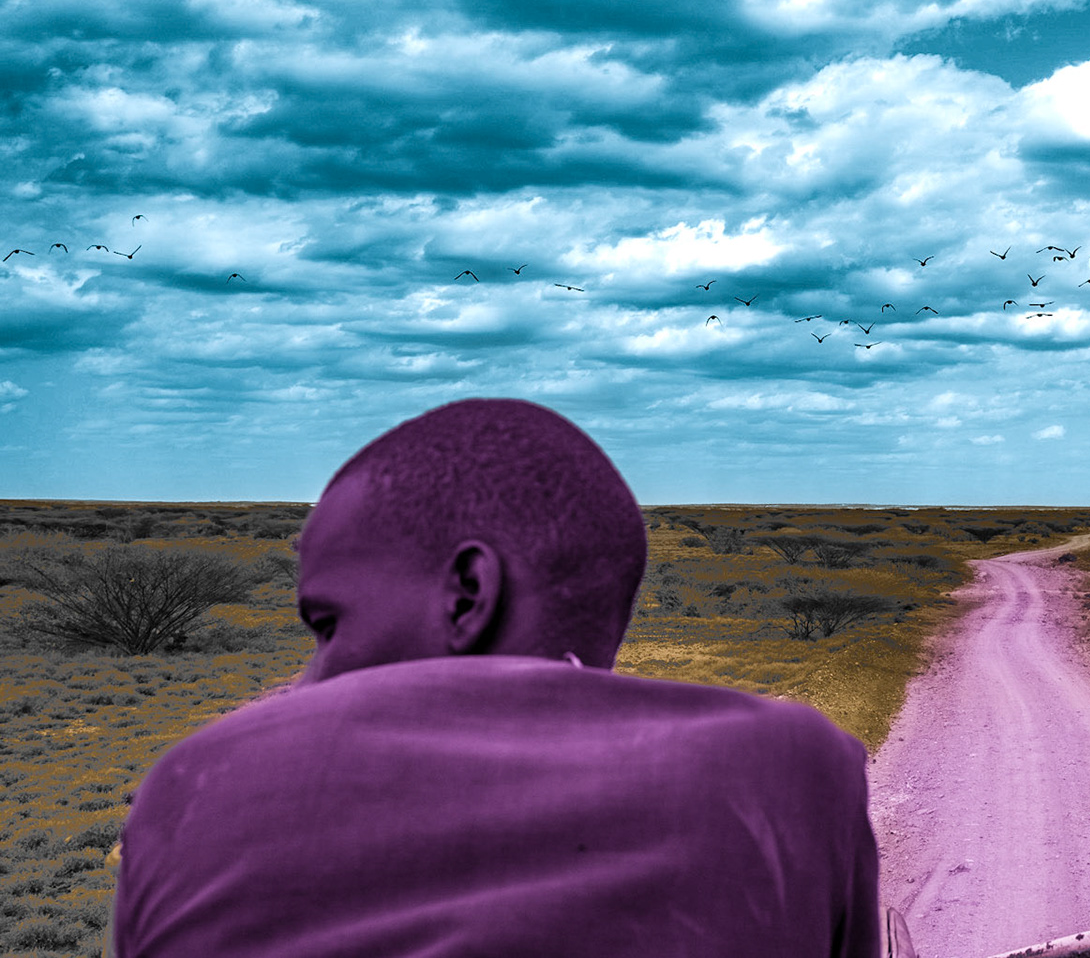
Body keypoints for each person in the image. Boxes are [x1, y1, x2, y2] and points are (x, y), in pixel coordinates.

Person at [111, 398, 880, 957]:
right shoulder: (792, 769)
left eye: (329, 623)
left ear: (468, 595)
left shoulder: (195, 786)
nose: (310, 683)